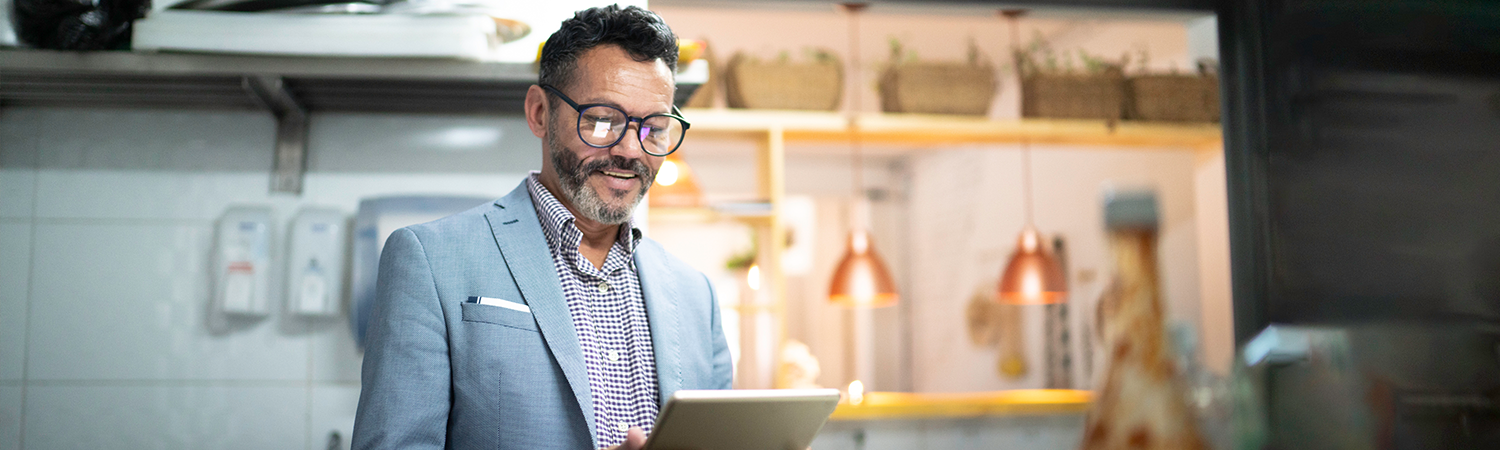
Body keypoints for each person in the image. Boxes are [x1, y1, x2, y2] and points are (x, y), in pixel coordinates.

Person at [351, 5, 732, 450]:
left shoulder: (696, 296)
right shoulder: (427, 259)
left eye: (654, 126)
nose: (631, 149)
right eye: (603, 119)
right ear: (539, 113)